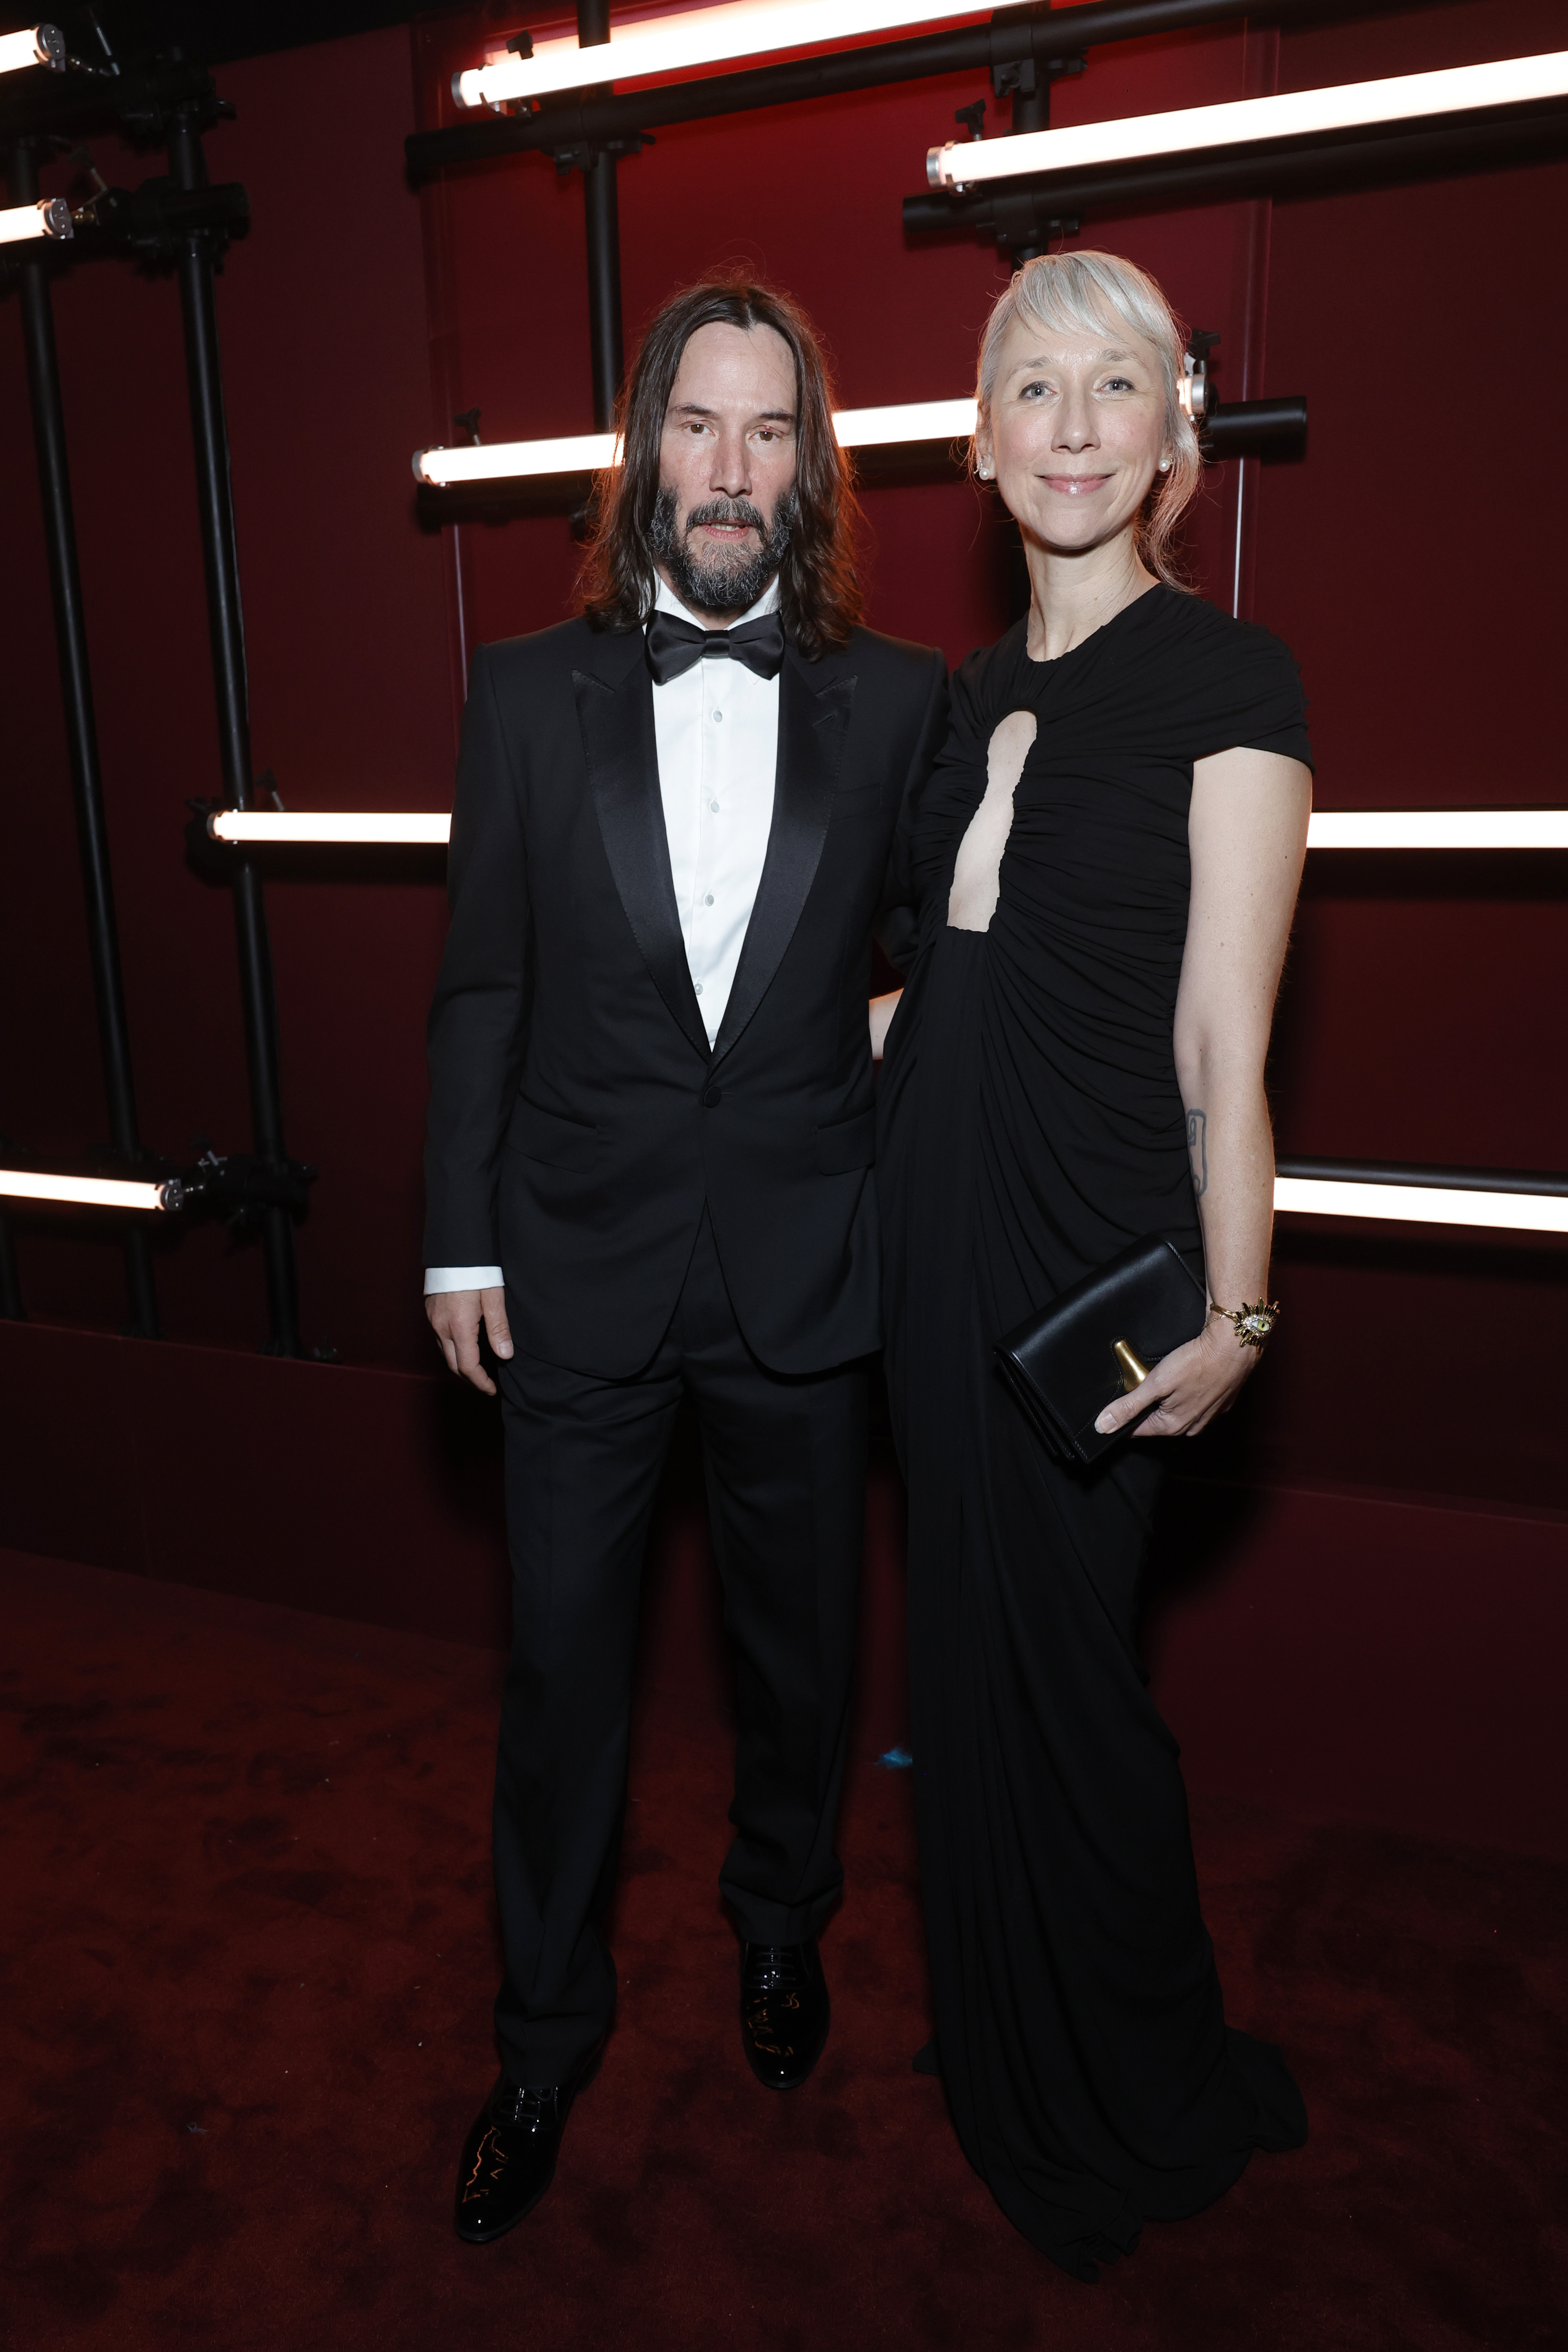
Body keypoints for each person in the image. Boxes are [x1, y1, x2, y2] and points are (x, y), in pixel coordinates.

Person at [423, 278, 946, 2244]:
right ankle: (542, 2039)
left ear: (811, 466)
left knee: (797, 1664)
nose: (730, 472)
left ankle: (778, 1926)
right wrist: (453, 1240)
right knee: (561, 1672)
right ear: (643, 449)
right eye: (698, 428)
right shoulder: (512, 694)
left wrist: (873, 1040)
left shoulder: (903, 702)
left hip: (807, 1265)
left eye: (769, 433)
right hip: (567, 1266)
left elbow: (936, 951)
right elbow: (479, 989)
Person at [874, 250, 1313, 2280]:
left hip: (1094, 1269)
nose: (1067, 427)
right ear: (980, 444)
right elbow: (936, 988)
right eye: (1030, 390)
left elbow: (1227, 1039)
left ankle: (1130, 2074)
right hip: (928, 1242)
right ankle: (1002, 2045)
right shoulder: (968, 704)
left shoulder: (1233, 683)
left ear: (1172, 438)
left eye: (1110, 387)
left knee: (1083, 1706)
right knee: (960, 1683)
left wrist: (1238, 1310)